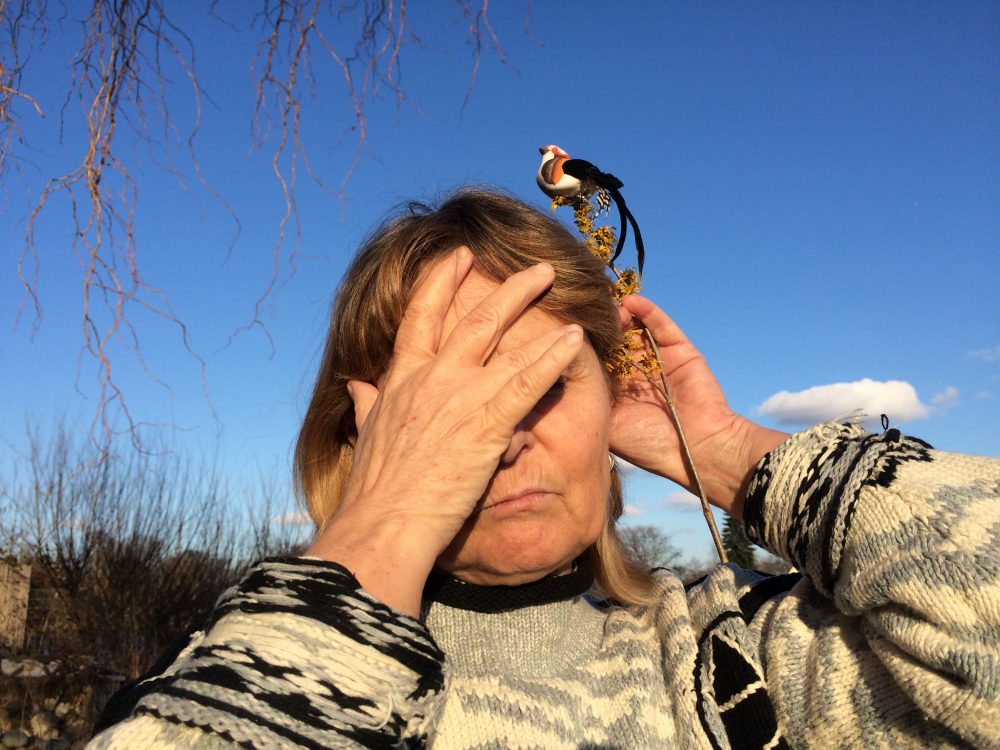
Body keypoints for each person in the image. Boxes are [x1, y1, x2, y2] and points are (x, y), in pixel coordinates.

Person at [90, 190, 1000, 749]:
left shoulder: (727, 659)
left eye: (546, 385)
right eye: (457, 402)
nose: (510, 436)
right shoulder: (247, 673)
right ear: (369, 435)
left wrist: (726, 453)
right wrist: (379, 533)